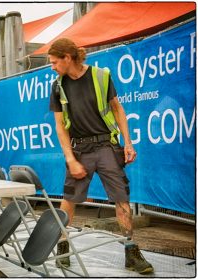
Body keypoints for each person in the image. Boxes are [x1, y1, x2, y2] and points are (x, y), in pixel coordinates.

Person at [48, 38, 153, 274]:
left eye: (55, 62)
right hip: (79, 150)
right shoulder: (57, 86)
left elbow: (117, 109)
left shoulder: (101, 76)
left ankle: (131, 251)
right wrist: (71, 159)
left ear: (67, 57)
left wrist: (128, 142)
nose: (52, 67)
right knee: (69, 200)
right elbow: (60, 127)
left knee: (121, 198)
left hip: (106, 145)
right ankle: (62, 247)